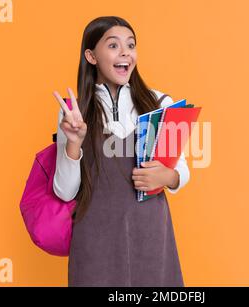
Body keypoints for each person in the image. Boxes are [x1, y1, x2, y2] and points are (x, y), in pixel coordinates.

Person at [52, 16, 190, 287]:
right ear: (91, 56)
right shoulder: (74, 112)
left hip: (151, 237)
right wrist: (74, 141)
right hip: (94, 241)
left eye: (131, 45)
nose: (125, 52)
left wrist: (167, 177)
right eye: (113, 45)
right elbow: (65, 191)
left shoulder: (161, 104)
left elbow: (182, 171)